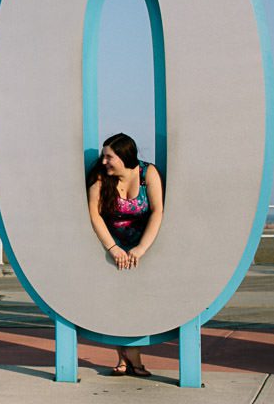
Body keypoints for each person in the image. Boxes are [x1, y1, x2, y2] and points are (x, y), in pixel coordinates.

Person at [87, 133, 164, 377]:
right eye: (103, 156)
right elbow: (94, 214)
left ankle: (131, 359)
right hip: (112, 245)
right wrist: (112, 248)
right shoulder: (101, 178)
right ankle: (130, 360)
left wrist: (141, 248)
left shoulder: (147, 173)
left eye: (109, 157)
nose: (104, 162)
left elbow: (157, 210)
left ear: (124, 156)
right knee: (117, 302)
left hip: (143, 245)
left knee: (138, 303)